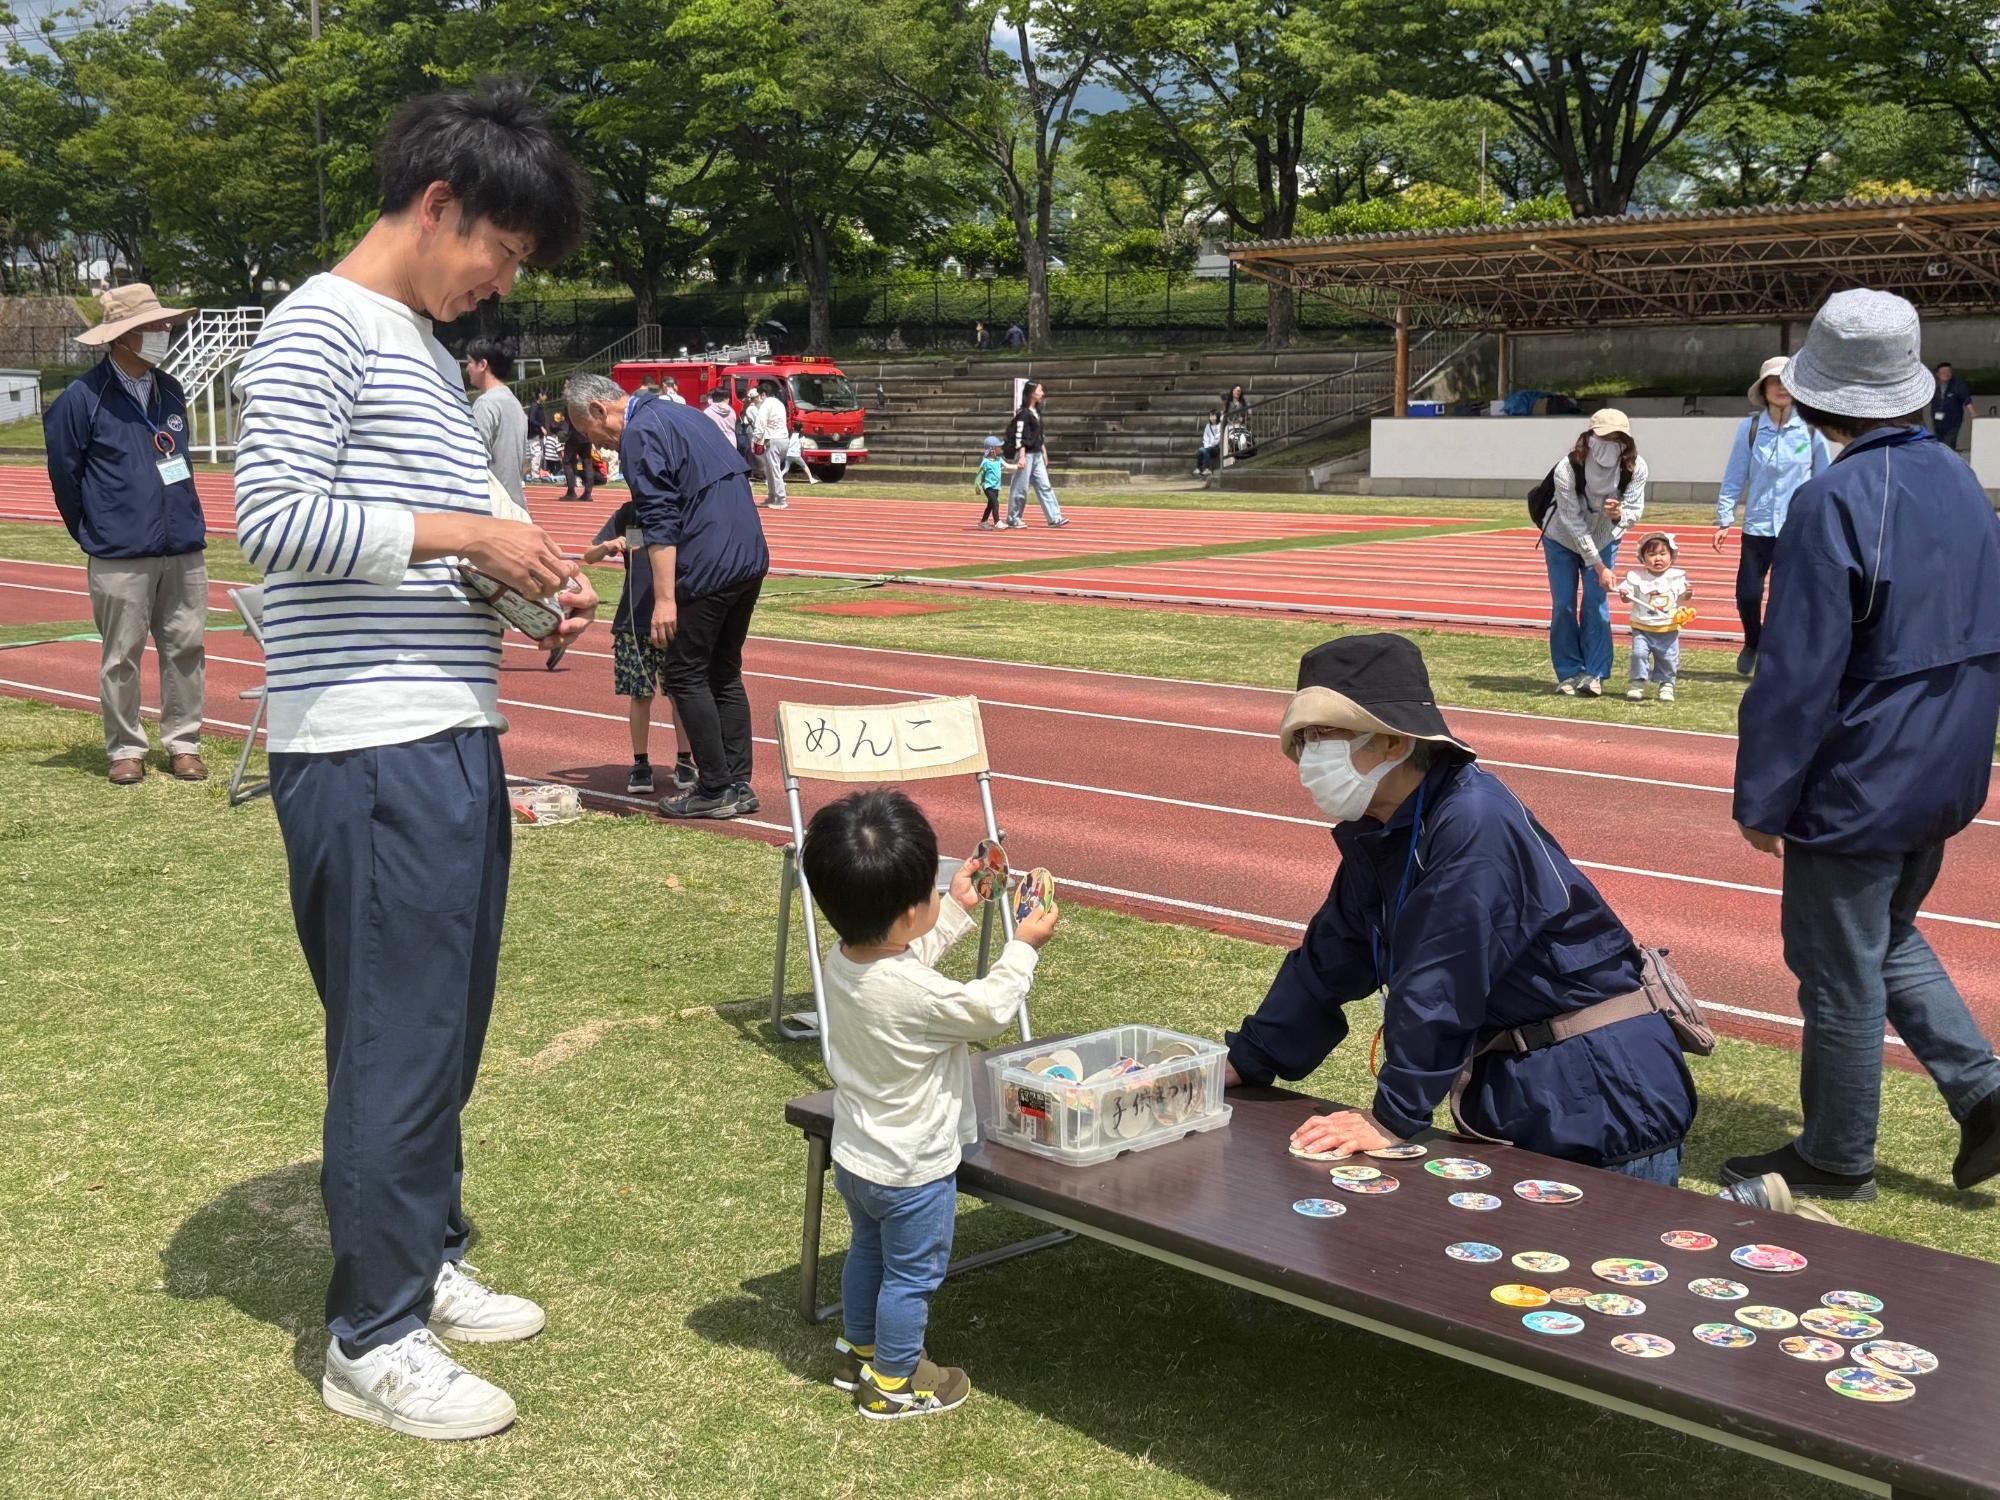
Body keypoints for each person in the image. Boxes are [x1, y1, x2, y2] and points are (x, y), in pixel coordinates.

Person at [230, 82, 596, 1439]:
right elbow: (272, 518)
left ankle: (425, 1248)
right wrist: (469, 539)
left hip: (442, 727)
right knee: (394, 1038)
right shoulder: (318, 322)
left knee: (440, 1026)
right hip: (369, 741)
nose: (500, 282)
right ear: (440, 206)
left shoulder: (419, 348)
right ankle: (371, 1334)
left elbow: (445, 529)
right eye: (500, 251)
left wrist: (531, 584)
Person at [1225, 634, 1698, 1180]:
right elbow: (1335, 954)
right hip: (1528, 1083)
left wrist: (1392, 1117)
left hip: (1599, 1091)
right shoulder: (1382, 828)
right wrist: (1248, 1059)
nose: (1310, 753)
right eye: (1303, 737)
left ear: (1395, 742)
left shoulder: (1473, 821)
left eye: (1327, 732)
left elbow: (1443, 977)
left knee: (1615, 1259)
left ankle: (1748, 1210)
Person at [1728, 288, 2000, 1201]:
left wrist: (1764, 799)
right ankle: (1987, 1093)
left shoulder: (1833, 498)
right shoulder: (1961, 481)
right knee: (1884, 937)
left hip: (1864, 774)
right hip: (1950, 762)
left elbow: (1797, 673)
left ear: (1817, 395)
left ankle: (1837, 1156)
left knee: (1837, 970)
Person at [801, 788, 1057, 1419]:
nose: (943, 893)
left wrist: (958, 910)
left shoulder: (841, 958)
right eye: (934, 891)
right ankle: (896, 1381)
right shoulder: (915, 992)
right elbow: (988, 1010)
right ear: (909, 911)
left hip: (860, 1154)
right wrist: (1023, 945)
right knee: (911, 1277)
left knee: (868, 1252)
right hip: (914, 1168)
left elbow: (900, 952)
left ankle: (857, 1348)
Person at [565, 370, 769, 818]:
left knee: (684, 674)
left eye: (590, 432)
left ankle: (714, 787)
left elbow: (659, 517)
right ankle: (738, 783)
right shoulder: (684, 415)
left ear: (600, 410)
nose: (598, 445)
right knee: (724, 672)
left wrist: (664, 599)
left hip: (709, 562)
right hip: (750, 554)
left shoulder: (640, 431)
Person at [43, 282, 209, 786]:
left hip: (181, 544)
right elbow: (64, 476)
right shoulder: (82, 399)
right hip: (120, 551)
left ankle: (184, 742)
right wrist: (97, 529)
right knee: (121, 655)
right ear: (122, 337)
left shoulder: (171, 389)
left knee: (186, 646)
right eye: (151, 326)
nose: (163, 332)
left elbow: (177, 460)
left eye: (163, 323)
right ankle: (125, 748)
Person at [1714, 355, 1831, 677]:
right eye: (1774, 382)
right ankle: (1753, 640)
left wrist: (1826, 520)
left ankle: (1778, 657)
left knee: (1788, 597)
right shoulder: (1750, 429)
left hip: (1798, 528)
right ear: (1763, 389)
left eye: (1787, 382)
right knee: (1748, 594)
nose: (1781, 388)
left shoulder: (1810, 429)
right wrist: (1725, 517)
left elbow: (1825, 478)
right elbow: (1735, 475)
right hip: (1758, 527)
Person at [579, 504, 699, 797]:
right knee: (640, 694)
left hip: (674, 619)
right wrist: (608, 546)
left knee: (679, 694)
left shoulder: (680, 511)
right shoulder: (628, 513)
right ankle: (640, 763)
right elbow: (588, 556)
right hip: (633, 620)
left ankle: (685, 760)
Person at [1543, 408, 1646, 696]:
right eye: (1604, 436)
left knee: (1595, 603)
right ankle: (1568, 672)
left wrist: (1618, 514)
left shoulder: (1636, 467)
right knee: (1563, 604)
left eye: (1617, 438)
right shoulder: (1567, 468)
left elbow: (1635, 511)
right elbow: (1572, 521)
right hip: (1562, 539)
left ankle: (1595, 672)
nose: (1610, 443)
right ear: (1589, 437)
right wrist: (1599, 566)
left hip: (1605, 538)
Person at [1618, 532, 1690, 703]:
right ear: (1642, 558)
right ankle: (1637, 684)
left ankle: (1666, 684)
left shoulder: (1677, 577)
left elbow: (1684, 597)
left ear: (1672, 555)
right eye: (1651, 554)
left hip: (1668, 628)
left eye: (1662, 553)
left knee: (1667, 658)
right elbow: (1625, 597)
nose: (1657, 558)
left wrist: (1688, 593)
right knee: (1638, 654)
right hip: (1642, 627)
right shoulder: (1636, 577)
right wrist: (1624, 594)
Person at [466, 335, 528, 510]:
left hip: (494, 506)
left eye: (470, 362)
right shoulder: (515, 403)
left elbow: (476, 459)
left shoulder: (486, 404)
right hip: (516, 504)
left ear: (482, 365)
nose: (467, 368)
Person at [1003, 380, 1068, 529]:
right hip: (1026, 455)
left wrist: (1044, 452)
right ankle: (1013, 518)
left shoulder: (1037, 412)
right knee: (1020, 488)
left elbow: (1040, 435)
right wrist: (1021, 456)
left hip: (1037, 454)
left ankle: (1054, 517)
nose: (1042, 393)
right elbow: (1020, 436)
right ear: (1032, 393)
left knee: (1045, 485)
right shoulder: (1023, 414)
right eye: (1040, 390)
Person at [749, 378, 790, 510]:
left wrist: (755, 440)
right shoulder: (779, 403)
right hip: (783, 439)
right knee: (771, 470)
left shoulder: (766, 405)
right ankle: (773, 496)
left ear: (763, 394)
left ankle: (781, 498)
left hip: (773, 439)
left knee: (773, 470)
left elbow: (760, 425)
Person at [1930, 360, 1973, 452]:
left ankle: (1948, 463)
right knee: (1939, 444)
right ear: (1937, 374)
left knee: (1948, 444)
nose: (1946, 374)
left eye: (1948, 371)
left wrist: (1974, 415)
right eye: (1943, 372)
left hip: (1953, 421)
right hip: (1937, 421)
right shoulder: (1933, 385)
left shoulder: (1958, 385)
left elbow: (1967, 400)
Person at [560, 404, 595, 502]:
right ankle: (588, 493)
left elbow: (567, 420)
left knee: (567, 462)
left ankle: (571, 492)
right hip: (587, 435)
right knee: (587, 462)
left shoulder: (571, 402)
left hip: (574, 436)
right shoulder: (589, 401)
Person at [975, 435, 1011, 529]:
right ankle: (997, 522)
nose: (1000, 448)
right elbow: (979, 475)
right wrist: (977, 486)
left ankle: (983, 522)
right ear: (992, 449)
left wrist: (1019, 467)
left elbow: (1007, 466)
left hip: (996, 487)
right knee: (995, 503)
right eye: (998, 446)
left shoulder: (998, 460)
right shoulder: (986, 462)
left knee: (990, 505)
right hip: (988, 486)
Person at [1195, 409, 1223, 477]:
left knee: (1203, 450)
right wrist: (1207, 446)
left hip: (1216, 447)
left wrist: (1210, 446)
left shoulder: (1220, 426)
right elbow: (1205, 438)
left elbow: (1218, 438)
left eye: (1214, 416)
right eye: (1211, 416)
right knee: (1201, 450)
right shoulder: (1208, 426)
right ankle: (1200, 469)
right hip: (1208, 447)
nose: (1212, 418)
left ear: (1218, 417)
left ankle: (1204, 468)